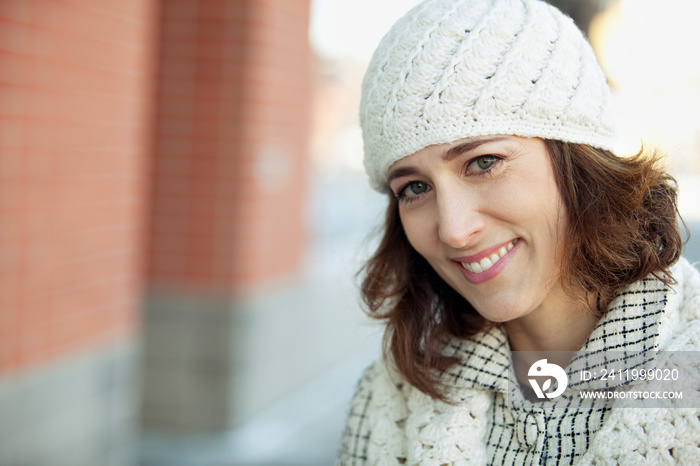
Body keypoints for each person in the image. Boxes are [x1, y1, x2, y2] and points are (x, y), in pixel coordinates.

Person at [336, 0, 700, 464]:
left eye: (483, 162)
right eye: (415, 188)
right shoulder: (389, 401)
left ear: (577, 160)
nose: (454, 230)